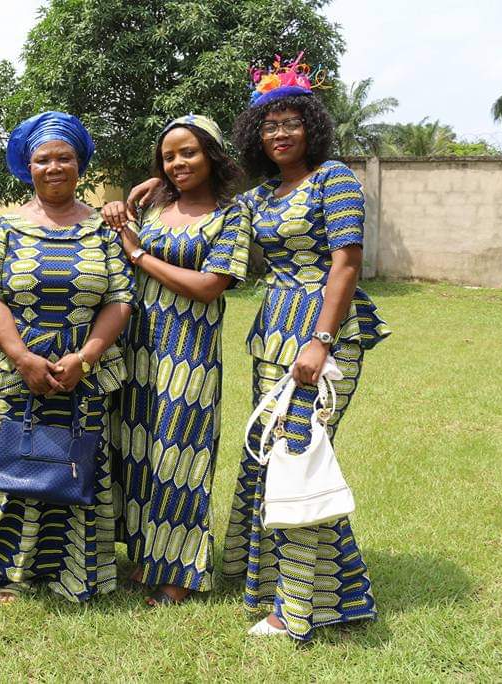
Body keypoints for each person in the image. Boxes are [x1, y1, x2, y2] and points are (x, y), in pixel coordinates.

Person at [124, 55, 391, 639]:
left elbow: (346, 263)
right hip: (272, 334)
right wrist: (160, 182)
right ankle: (331, 597)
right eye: (268, 125)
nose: (279, 133)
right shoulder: (263, 198)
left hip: (321, 333)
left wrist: (321, 341)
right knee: (270, 464)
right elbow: (209, 208)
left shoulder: (335, 179)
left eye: (290, 122)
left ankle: (294, 613)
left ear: (311, 126)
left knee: (297, 457)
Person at [0, 111, 135, 603]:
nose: (54, 167)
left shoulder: (103, 228)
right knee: (16, 466)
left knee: (79, 466)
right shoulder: (5, 229)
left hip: (86, 371)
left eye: (65, 158)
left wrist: (86, 357)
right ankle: (7, 574)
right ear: (28, 166)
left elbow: (120, 298)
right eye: (43, 159)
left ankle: (77, 573)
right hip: (20, 372)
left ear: (80, 165)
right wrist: (22, 358)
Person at [100, 115, 249, 607]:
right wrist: (123, 204)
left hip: (189, 354)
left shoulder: (232, 214)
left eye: (189, 152)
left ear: (212, 154)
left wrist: (139, 254)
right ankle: (148, 555)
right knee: (138, 451)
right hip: (137, 346)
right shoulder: (155, 205)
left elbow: (210, 287)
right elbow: (115, 232)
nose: (179, 162)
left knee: (180, 456)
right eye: (169, 155)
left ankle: (181, 573)